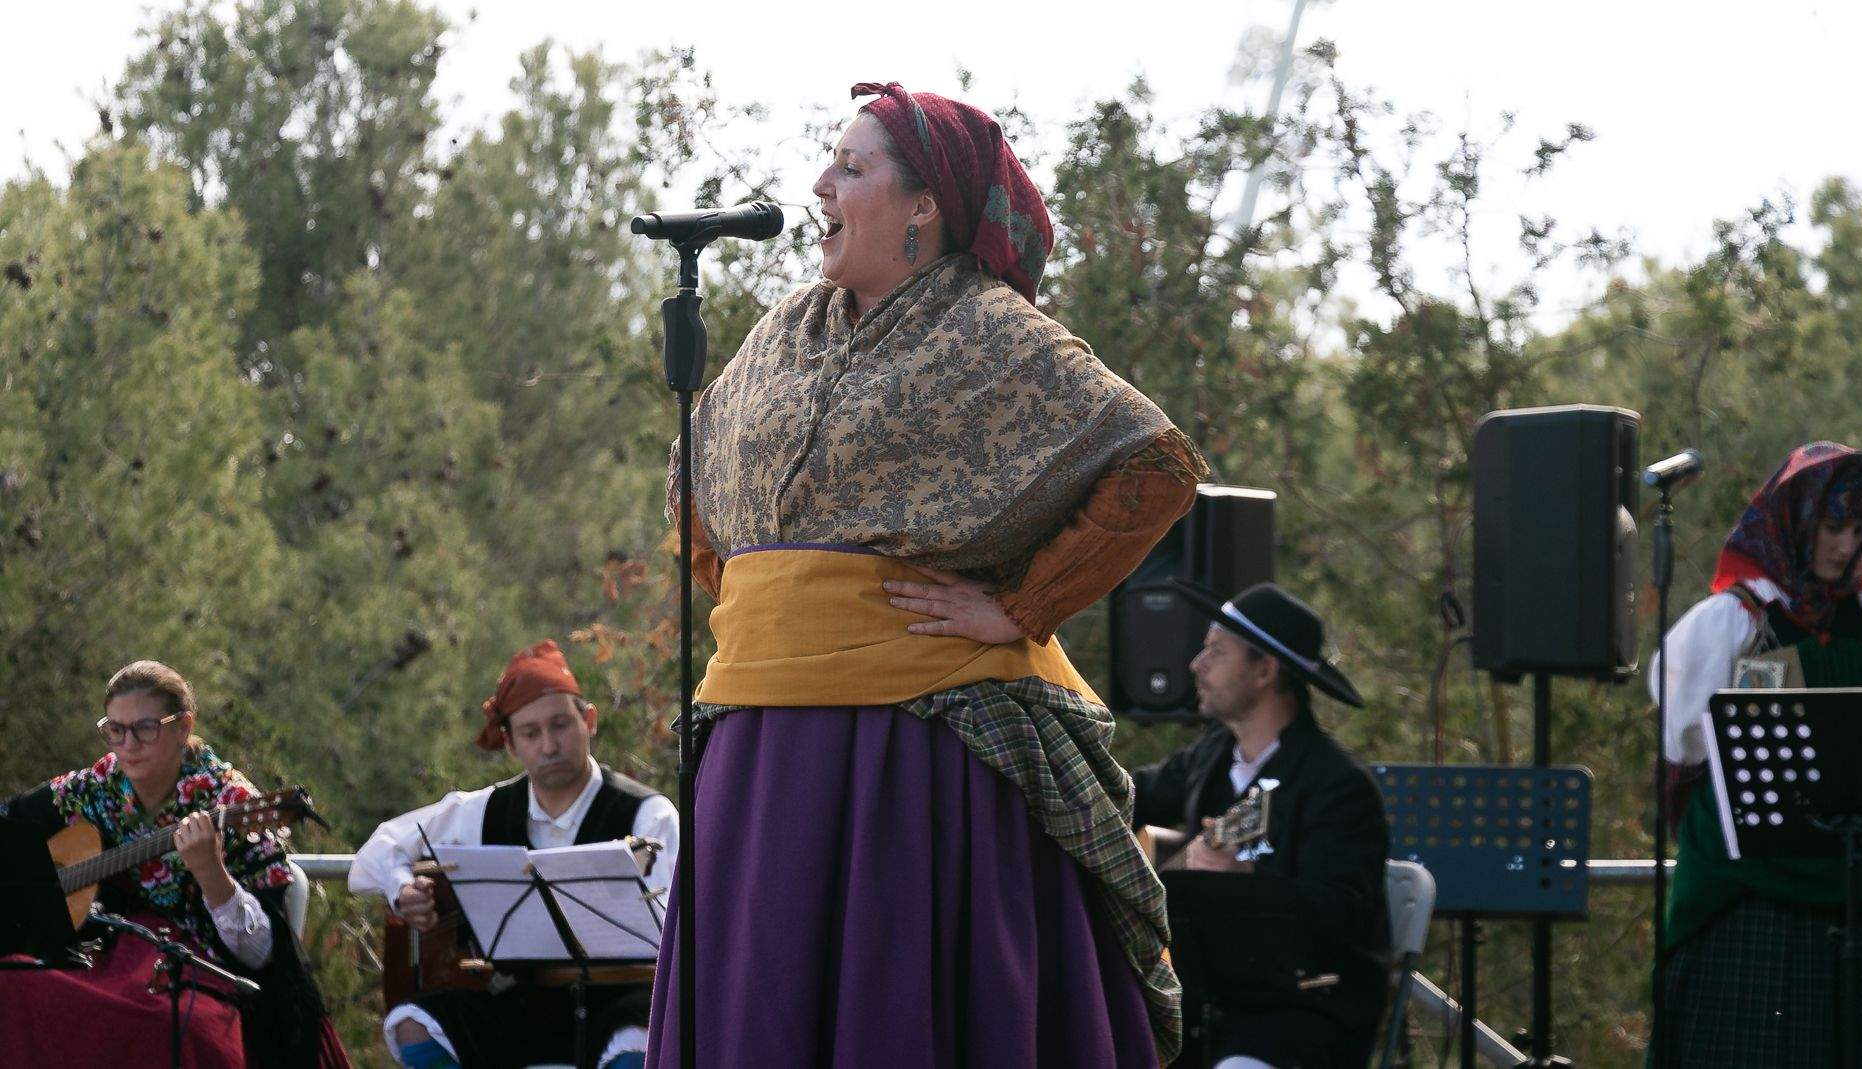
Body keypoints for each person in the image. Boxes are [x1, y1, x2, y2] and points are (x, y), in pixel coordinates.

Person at [647, 81, 1206, 1067]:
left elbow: (1154, 464)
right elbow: (695, 485)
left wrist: (1020, 609)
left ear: (923, 208)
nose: (820, 182)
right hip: (760, 738)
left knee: (896, 1007)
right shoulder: (781, 331)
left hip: (914, 739)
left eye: (851, 166)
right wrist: (771, 612)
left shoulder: (993, 332)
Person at [1650, 441, 1862, 1067]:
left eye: (1856, 529)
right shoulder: (1732, 620)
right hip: (1753, 889)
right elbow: (1681, 736)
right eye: (1831, 527)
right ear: (1798, 518)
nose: (1844, 546)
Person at [0, 660, 350, 1068]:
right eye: (115, 729)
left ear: (182, 726)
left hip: (195, 967)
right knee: (12, 986)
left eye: (145, 728)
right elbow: (12, 819)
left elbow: (264, 953)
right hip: (105, 955)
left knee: (167, 1027)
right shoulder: (95, 787)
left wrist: (211, 873)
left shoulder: (231, 801)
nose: (127, 744)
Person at [348, 639, 680, 1069]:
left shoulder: (648, 815)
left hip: (619, 999)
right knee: (414, 1025)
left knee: (641, 1045)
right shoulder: (483, 809)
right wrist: (402, 888)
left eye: (560, 725)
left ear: (589, 720)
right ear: (510, 744)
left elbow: (670, 929)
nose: (548, 745)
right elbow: (377, 851)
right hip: (519, 998)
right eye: (530, 733)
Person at [1131, 581, 1389, 1069]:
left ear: (1265, 670)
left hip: (1303, 1014)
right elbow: (1128, 797)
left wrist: (1248, 885)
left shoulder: (1336, 785)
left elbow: (1341, 915)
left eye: (1216, 652)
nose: (1196, 664)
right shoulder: (1211, 756)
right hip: (1205, 1007)